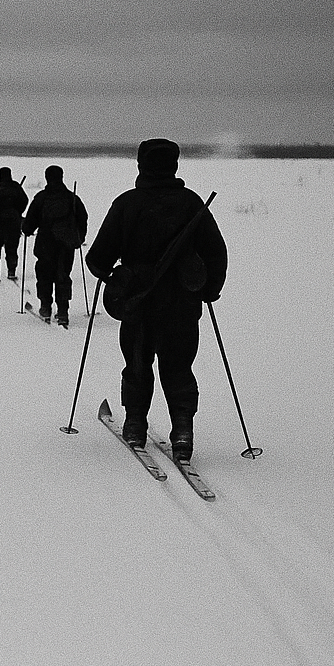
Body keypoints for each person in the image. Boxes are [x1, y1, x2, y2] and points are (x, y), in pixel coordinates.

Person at [84, 138, 227, 460]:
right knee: (179, 367)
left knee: (137, 364)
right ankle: (183, 433)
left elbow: (97, 259)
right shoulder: (192, 204)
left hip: (138, 302)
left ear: (141, 165)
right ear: (174, 165)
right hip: (182, 303)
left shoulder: (127, 203)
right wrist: (208, 290)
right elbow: (216, 253)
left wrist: (114, 278)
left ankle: (135, 425)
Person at [21, 164, 88, 326]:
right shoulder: (72, 198)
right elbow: (82, 219)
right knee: (63, 275)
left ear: (47, 178)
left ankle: (45, 308)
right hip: (66, 244)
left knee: (44, 276)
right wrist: (77, 238)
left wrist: (27, 229)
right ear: (61, 177)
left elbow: (30, 221)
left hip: (45, 243)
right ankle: (63, 311)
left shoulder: (41, 198)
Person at [0, 166, 29, 280]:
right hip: (13, 221)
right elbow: (25, 200)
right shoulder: (16, 187)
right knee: (12, 247)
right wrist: (17, 212)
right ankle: (11, 271)